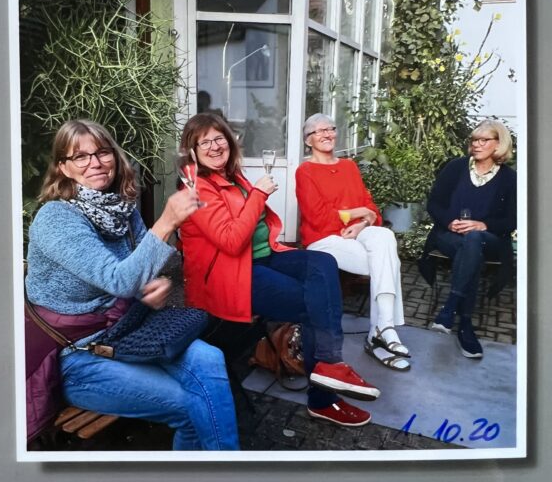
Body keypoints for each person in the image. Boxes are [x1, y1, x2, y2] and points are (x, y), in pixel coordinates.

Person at [25, 119, 239, 450]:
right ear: (63, 168)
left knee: (209, 359)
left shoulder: (121, 209)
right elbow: (118, 280)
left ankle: (223, 464)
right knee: (190, 405)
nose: (95, 163)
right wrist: (167, 222)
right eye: (80, 156)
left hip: (126, 333)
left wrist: (151, 284)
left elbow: (139, 272)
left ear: (115, 156)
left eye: (102, 152)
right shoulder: (56, 218)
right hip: (75, 355)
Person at [178, 113, 380, 428]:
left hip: (261, 257)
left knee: (323, 263)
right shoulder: (196, 187)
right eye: (204, 142)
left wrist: (254, 197)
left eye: (219, 138)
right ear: (192, 151)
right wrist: (258, 195)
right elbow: (231, 241)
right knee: (312, 302)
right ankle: (323, 396)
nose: (215, 146)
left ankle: (329, 365)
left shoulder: (232, 175)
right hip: (229, 274)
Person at [295, 113, 410, 373]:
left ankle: (384, 327)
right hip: (323, 239)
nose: (327, 134)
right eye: (319, 131)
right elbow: (318, 218)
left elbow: (372, 209)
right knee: (385, 263)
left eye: (331, 129)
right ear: (308, 140)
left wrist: (363, 223)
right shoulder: (305, 172)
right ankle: (379, 334)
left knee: (385, 237)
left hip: (356, 232)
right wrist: (358, 212)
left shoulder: (349, 166)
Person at [423, 119, 516, 359]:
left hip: (490, 239)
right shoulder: (455, 168)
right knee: (471, 249)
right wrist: (449, 221)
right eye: (474, 139)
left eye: (484, 140)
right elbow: (434, 203)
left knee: (474, 240)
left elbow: (513, 219)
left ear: (499, 144)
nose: (477, 144)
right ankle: (465, 324)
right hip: (449, 236)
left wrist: (484, 225)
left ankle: (450, 308)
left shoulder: (510, 178)